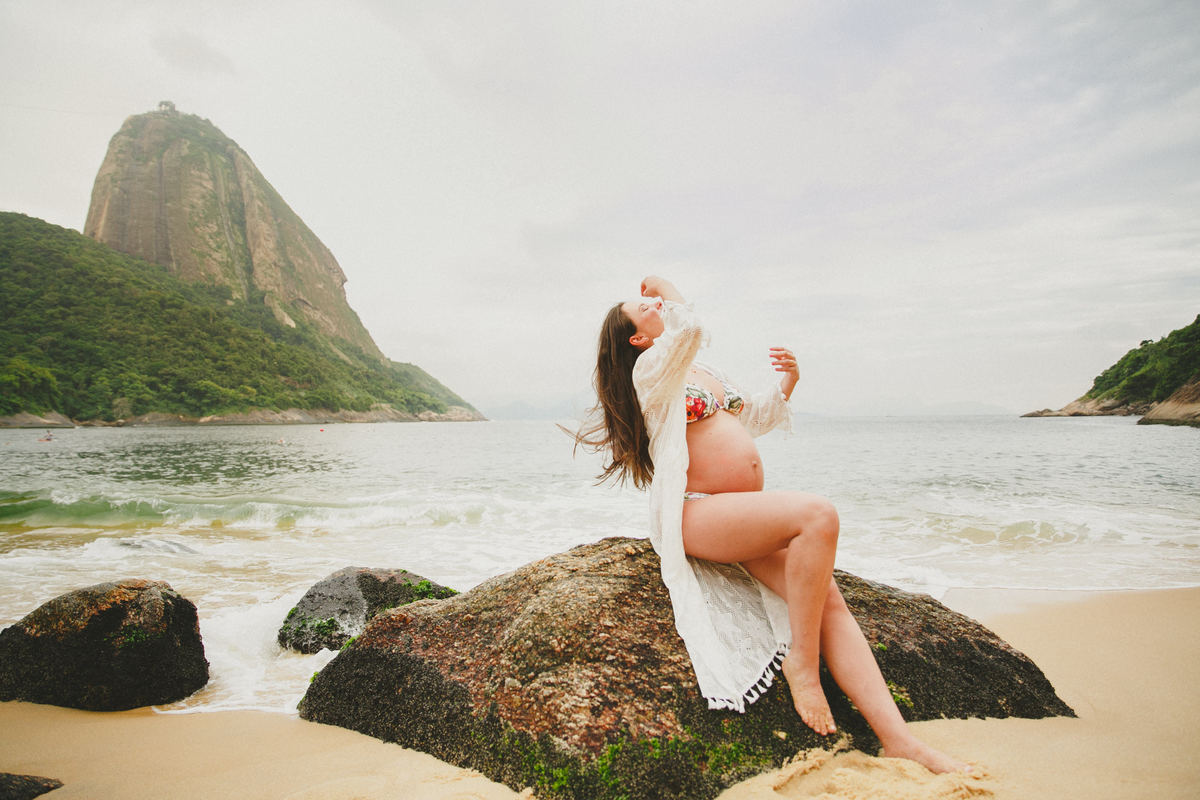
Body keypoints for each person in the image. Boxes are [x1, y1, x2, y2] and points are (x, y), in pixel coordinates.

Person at [573, 275, 968, 774]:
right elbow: (689, 325)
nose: (656, 304)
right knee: (816, 515)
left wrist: (789, 383)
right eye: (645, 307)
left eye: (655, 300)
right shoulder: (652, 372)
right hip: (697, 511)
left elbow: (751, 417)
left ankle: (899, 740)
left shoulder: (700, 370)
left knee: (828, 600)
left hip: (738, 515)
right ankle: (801, 661)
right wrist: (669, 289)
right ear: (637, 339)